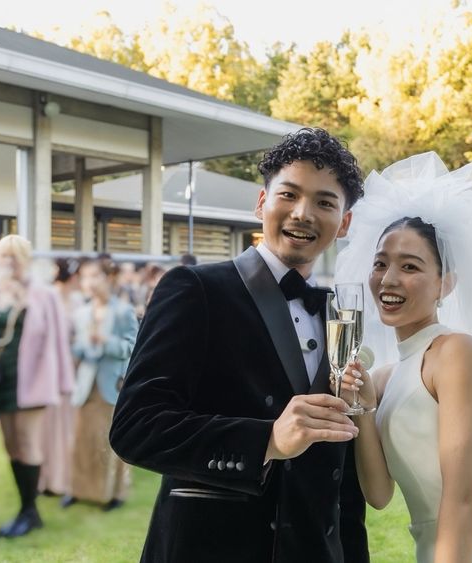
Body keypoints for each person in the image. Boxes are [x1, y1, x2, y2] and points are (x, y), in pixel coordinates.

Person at [109, 128, 369, 562]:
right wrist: (266, 439)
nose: (303, 213)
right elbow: (135, 427)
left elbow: (342, 479)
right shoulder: (194, 289)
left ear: (344, 223)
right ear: (262, 202)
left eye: (325, 202)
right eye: (289, 194)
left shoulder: (338, 314)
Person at [334, 153, 472, 563]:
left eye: (410, 266)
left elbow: (464, 497)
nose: (389, 279)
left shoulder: (455, 351)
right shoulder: (382, 379)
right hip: (432, 547)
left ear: (445, 285)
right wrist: (362, 406)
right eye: (381, 263)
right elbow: (379, 495)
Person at [0, 235, 73, 537]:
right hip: (2, 380)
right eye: (3, 256)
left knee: (27, 441)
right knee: (10, 444)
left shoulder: (43, 294)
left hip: (34, 380)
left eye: (14, 256)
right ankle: (26, 509)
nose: (8, 262)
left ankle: (29, 512)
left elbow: (58, 340)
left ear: (25, 259)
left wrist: (63, 382)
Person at [61, 259, 138, 511]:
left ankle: (114, 493)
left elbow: (133, 347)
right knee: (81, 439)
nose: (90, 282)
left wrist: (106, 341)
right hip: (85, 385)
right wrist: (82, 347)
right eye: (86, 277)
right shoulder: (81, 313)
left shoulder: (123, 311)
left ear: (108, 278)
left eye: (95, 276)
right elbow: (78, 348)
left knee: (108, 441)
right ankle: (77, 489)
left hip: (111, 384)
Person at [38, 258, 81, 496]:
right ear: (72, 277)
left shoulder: (77, 301)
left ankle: (63, 478)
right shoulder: (48, 297)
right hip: (51, 371)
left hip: (73, 369)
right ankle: (46, 478)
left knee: (67, 425)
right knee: (47, 426)